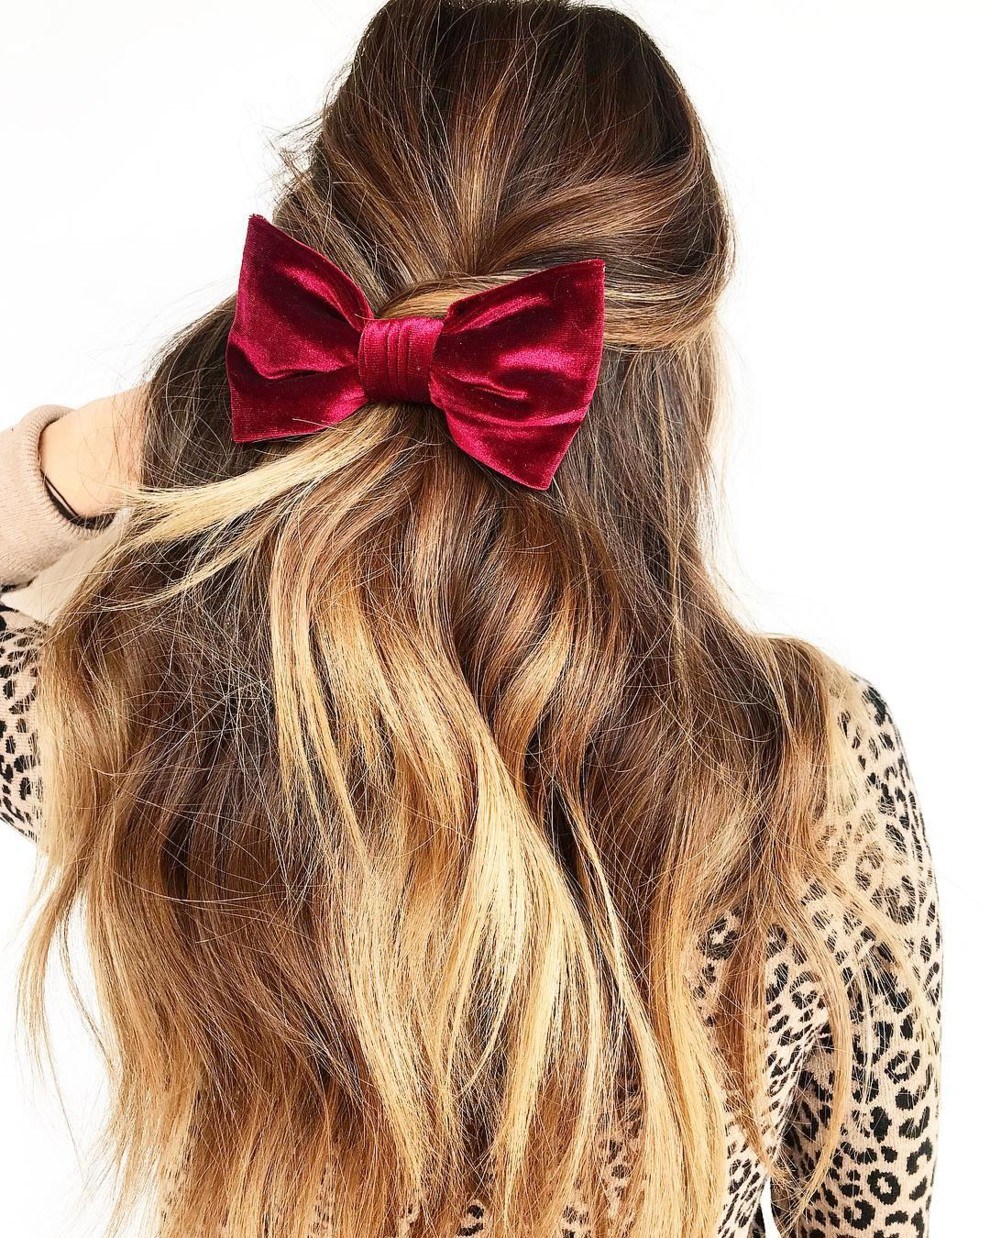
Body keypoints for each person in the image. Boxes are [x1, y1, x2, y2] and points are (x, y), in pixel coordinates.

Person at [0, 2, 941, 1235]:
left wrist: (125, 435)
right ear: (672, 372)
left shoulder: (163, 721)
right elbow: (871, 1211)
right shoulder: (808, 774)